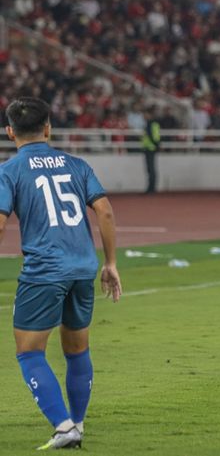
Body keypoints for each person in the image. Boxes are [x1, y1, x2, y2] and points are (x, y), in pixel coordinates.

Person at [0, 97, 122, 449]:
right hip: (83, 268)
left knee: (29, 353)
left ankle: (64, 426)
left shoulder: (9, 171)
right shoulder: (77, 164)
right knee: (77, 350)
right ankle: (78, 423)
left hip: (44, 271)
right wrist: (110, 263)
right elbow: (106, 212)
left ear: (10, 132)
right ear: (49, 127)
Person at [142, 109, 160, 194]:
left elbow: (153, 136)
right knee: (150, 169)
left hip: (150, 148)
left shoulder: (151, 124)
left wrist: (156, 145)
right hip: (149, 148)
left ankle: (151, 188)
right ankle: (151, 188)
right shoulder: (152, 124)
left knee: (151, 169)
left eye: (145, 114)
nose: (144, 116)